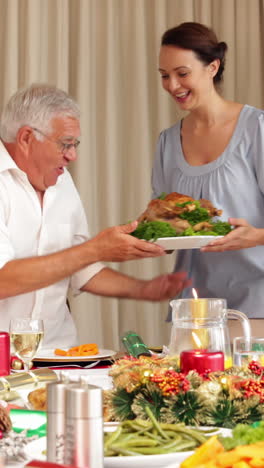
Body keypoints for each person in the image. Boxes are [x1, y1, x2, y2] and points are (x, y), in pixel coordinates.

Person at [0, 84, 190, 348]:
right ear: (26, 138)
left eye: (75, 145)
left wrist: (144, 289)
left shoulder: (62, 180)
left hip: (58, 354)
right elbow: (3, 280)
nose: (72, 156)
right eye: (65, 144)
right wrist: (96, 248)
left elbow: (77, 266)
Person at [152, 22, 264, 338]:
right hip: (192, 313)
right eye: (164, 75)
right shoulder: (167, 142)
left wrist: (255, 236)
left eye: (182, 73)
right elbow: (165, 219)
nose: (172, 85)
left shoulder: (257, 130)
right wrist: (150, 237)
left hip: (255, 312)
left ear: (212, 67)